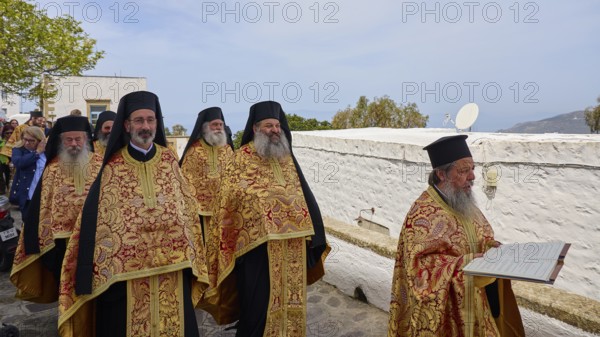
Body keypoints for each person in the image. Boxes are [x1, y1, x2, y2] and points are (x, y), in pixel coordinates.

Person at [58, 91, 207, 337]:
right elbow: (102, 219)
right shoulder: (113, 166)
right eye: (139, 120)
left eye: (150, 120)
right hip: (125, 275)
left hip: (173, 265)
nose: (145, 126)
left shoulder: (169, 160)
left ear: (157, 123)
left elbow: (186, 209)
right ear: (126, 125)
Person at [202, 101, 328, 336]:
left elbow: (300, 194)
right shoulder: (239, 159)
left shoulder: (286, 158)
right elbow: (228, 202)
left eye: (277, 125)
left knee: (293, 305)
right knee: (258, 309)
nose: (274, 130)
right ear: (256, 129)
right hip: (256, 251)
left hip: (292, 247)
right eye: (268, 125)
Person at [387, 135, 524, 337]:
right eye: (463, 171)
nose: (472, 177)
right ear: (442, 174)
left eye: (472, 169)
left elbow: (480, 237)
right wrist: (462, 264)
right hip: (446, 315)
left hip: (477, 302)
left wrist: (492, 247)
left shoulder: (465, 203)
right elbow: (418, 269)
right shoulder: (422, 214)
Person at [10, 115, 102, 303]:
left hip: (96, 238)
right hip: (62, 242)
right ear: (61, 140)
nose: (74, 144)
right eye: (69, 139)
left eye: (78, 139)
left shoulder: (101, 165)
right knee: (67, 286)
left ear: (86, 139)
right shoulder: (52, 169)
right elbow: (43, 206)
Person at [179, 107, 234, 244]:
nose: (218, 128)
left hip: (225, 209)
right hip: (200, 213)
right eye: (214, 125)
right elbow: (185, 178)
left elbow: (234, 175)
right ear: (205, 128)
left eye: (220, 125)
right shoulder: (194, 150)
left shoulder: (228, 150)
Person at [9, 126, 46, 218]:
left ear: (40, 140)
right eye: (25, 139)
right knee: (28, 223)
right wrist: (37, 152)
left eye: (31, 140)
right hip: (28, 195)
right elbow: (19, 163)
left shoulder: (47, 151)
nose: (27, 143)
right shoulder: (18, 150)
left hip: (44, 194)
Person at [0, 125, 14, 194]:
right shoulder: (1, 142)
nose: (9, 134)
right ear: (4, 133)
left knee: (10, 180)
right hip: (2, 163)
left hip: (14, 164)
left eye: (11, 132)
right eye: (7, 133)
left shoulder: (17, 142)